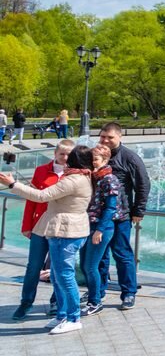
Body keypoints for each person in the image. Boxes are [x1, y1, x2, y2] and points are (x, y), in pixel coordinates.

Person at [0, 145, 94, 334]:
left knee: (64, 275)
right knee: (57, 275)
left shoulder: (73, 180)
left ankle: (73, 317)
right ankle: (62, 314)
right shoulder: (81, 176)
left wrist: (13, 185)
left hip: (66, 232)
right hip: (64, 230)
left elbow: (42, 196)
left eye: (70, 157)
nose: (66, 160)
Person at [12, 140, 73, 319]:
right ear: (55, 153)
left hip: (61, 227)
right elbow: (31, 199)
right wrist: (26, 226)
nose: (65, 157)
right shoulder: (41, 171)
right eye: (62, 153)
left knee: (58, 266)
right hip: (40, 225)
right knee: (34, 266)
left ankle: (56, 301)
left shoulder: (75, 173)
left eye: (69, 154)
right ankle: (26, 302)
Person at [97, 122, 150, 310]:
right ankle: (98, 291)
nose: (105, 140)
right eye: (103, 136)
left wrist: (138, 210)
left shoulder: (129, 158)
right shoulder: (95, 155)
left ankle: (128, 292)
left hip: (121, 216)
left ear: (119, 137)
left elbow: (143, 184)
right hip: (98, 216)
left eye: (110, 137)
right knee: (100, 256)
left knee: (122, 254)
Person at [81, 143, 129, 315]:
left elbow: (110, 208)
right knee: (86, 265)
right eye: (91, 159)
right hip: (88, 225)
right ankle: (94, 295)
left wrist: (99, 230)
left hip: (101, 227)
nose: (92, 162)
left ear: (105, 159)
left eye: (95, 159)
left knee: (90, 266)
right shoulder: (94, 177)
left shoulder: (109, 179)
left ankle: (95, 301)